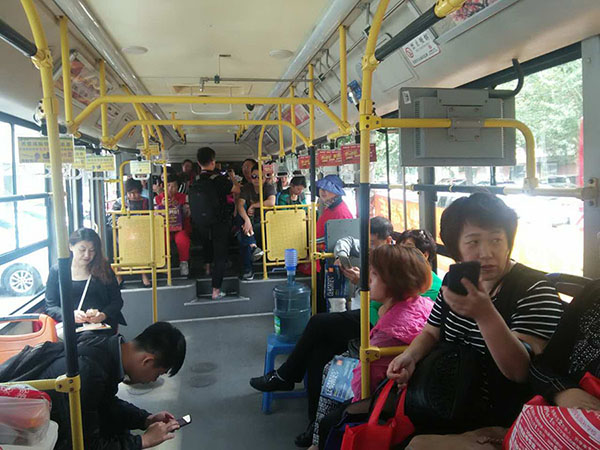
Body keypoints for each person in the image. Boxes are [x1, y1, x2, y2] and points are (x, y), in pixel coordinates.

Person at [250, 217, 442, 447]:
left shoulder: (424, 292)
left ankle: (289, 382)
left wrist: (370, 298)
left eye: (409, 250)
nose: (403, 254)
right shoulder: (396, 286)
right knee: (320, 351)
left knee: (319, 325)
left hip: (372, 329)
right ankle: (314, 424)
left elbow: (380, 325)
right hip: (371, 323)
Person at [387, 192, 564, 435]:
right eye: (473, 242)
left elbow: (522, 372)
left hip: (501, 419)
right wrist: (411, 356)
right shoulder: (455, 281)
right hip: (446, 401)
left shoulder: (534, 290)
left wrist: (485, 315)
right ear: (456, 249)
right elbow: (431, 332)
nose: (487, 253)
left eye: (496, 240)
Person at [310, 243, 434, 449]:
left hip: (389, 398)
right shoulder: (422, 305)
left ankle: (316, 439)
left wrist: (356, 403)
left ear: (393, 282)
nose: (368, 280)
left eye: (374, 275)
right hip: (408, 393)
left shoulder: (389, 334)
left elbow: (362, 384)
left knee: (328, 419)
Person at [0, 322, 186, 450]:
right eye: (157, 374)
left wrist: (145, 419)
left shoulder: (104, 348)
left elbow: (105, 403)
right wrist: (143, 441)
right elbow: (87, 445)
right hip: (34, 434)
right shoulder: (90, 371)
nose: (152, 380)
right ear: (147, 361)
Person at [45, 228, 126, 333]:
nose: (87, 255)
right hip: (71, 327)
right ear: (71, 246)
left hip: (100, 326)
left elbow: (117, 301)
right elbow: (50, 306)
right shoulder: (58, 271)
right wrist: (69, 315)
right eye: (82, 250)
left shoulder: (103, 269)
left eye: (92, 250)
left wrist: (103, 315)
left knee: (92, 341)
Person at [191, 147, 240, 299]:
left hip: (201, 222)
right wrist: (232, 177)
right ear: (213, 162)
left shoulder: (196, 181)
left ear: (199, 163)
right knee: (220, 255)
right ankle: (216, 290)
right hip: (220, 221)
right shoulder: (219, 180)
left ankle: (206, 268)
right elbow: (237, 190)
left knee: (207, 244)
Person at [236, 163, 275, 280]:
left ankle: (248, 268)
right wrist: (247, 220)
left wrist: (254, 205)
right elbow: (240, 205)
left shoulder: (268, 187)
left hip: (266, 221)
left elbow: (271, 202)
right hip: (251, 222)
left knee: (244, 236)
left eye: (260, 177)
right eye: (254, 176)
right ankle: (252, 247)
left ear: (265, 178)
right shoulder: (247, 188)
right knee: (244, 229)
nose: (257, 179)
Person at [109, 178, 151, 287]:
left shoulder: (146, 202)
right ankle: (119, 275)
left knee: (140, 243)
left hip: (142, 232)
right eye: (130, 193)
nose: (133, 196)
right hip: (124, 232)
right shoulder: (120, 202)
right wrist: (122, 224)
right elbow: (111, 219)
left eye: (136, 193)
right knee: (116, 246)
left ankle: (143, 274)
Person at [155, 174, 191, 277]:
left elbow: (188, 214)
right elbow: (155, 217)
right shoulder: (157, 199)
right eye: (168, 186)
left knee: (182, 239)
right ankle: (164, 263)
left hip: (180, 228)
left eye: (174, 186)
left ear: (178, 187)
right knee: (162, 240)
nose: (171, 189)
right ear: (163, 186)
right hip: (164, 228)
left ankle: (184, 263)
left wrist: (180, 207)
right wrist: (161, 206)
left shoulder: (184, 197)